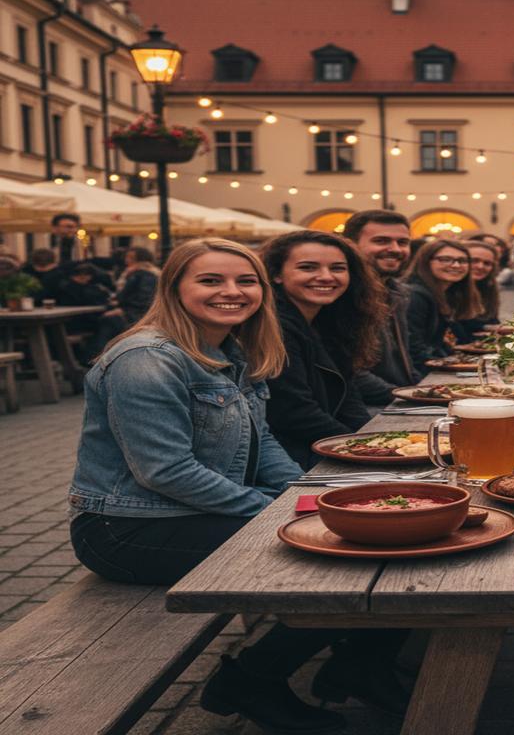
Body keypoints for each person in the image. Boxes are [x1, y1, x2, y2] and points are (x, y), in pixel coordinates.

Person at [67, 238, 408, 733]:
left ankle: (360, 665)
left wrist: (302, 497)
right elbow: (164, 472)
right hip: (127, 528)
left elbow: (263, 437)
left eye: (245, 280)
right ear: (175, 287)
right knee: (342, 565)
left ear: (262, 289)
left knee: (383, 539)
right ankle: (253, 680)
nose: (232, 291)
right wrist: (273, 513)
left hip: (193, 513)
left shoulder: (231, 348)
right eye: (211, 280)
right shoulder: (146, 358)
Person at [261, 231, 383, 468]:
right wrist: (363, 448)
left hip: (319, 445)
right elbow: (293, 412)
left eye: (337, 268)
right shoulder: (276, 326)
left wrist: (370, 439)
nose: (325, 277)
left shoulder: (327, 320)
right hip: (292, 457)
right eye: (308, 268)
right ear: (276, 274)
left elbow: (348, 392)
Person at [342, 210, 417, 406]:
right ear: (352, 245)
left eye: (402, 242)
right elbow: (349, 370)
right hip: (372, 406)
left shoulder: (396, 291)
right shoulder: (342, 293)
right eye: (381, 241)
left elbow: (404, 358)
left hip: (397, 399)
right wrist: (407, 395)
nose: (395, 249)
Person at [405, 239, 481, 376]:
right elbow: (413, 348)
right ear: (426, 262)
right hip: (417, 375)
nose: (456, 265)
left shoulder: (446, 293)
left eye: (463, 261)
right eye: (446, 259)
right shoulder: (415, 295)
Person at [450, 241, 501, 345]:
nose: (480, 266)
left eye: (487, 263)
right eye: (474, 261)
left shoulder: (486, 286)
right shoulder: (450, 288)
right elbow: (461, 328)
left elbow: (491, 320)